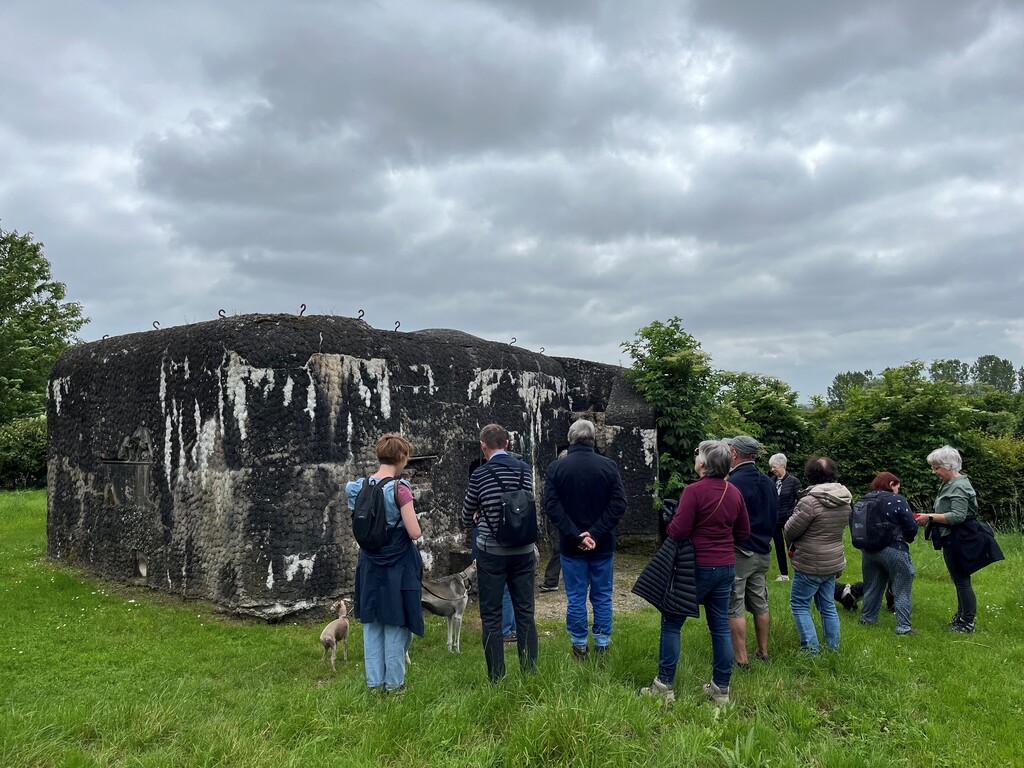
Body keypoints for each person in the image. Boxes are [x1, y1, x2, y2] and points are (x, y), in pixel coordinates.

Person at [639, 440, 750, 706]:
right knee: (720, 627)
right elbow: (744, 533)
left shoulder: (693, 491)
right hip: (725, 567)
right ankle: (721, 689)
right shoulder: (734, 493)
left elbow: (677, 532)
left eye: (697, 454)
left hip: (696, 567)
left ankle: (664, 686)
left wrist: (672, 518)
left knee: (672, 622)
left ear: (703, 463)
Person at [543, 419, 627, 658]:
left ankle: (579, 645)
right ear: (593, 439)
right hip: (602, 544)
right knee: (602, 595)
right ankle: (602, 644)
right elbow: (619, 503)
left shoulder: (557, 468)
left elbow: (552, 506)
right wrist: (597, 532)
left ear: (571, 439)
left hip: (571, 546)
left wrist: (575, 535)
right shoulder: (608, 466)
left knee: (576, 596)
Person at [461, 423, 538, 681]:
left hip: (491, 552)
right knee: (525, 613)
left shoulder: (480, 475)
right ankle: (529, 672)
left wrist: (479, 513)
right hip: (524, 550)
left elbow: (466, 513)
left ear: (484, 446)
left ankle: (497, 677)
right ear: (507, 443)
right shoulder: (524, 470)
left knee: (492, 617)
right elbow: (525, 501)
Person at [347, 433, 423, 693]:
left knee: (372, 623)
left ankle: (374, 683)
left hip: (369, 563)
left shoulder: (359, 487)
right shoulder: (400, 489)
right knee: (395, 622)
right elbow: (414, 532)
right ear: (401, 458)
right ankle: (395, 684)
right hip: (397, 565)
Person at [784, 456, 850, 654]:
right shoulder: (845, 500)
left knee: (799, 604)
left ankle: (810, 650)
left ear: (811, 475)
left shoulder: (809, 502)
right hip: (833, 561)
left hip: (809, 563)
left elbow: (789, 530)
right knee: (827, 605)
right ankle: (833, 649)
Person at [725, 435, 779, 668]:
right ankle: (763, 652)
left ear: (735, 454)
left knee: (734, 603)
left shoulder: (734, 482)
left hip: (740, 550)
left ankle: (741, 659)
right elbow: (775, 515)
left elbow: (728, 517)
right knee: (760, 601)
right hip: (763, 550)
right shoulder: (768, 481)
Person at [919, 445, 980, 633]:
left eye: (937, 467)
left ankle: (967, 623)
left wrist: (929, 517)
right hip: (950, 537)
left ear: (949, 466)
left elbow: (958, 516)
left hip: (959, 538)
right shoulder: (949, 483)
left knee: (962, 580)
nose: (934, 471)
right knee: (958, 579)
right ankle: (960, 618)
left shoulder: (959, 486)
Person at [858, 472, 919, 635]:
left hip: (868, 550)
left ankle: (867, 620)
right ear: (892, 484)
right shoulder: (898, 500)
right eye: (897, 486)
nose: (898, 489)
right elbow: (911, 526)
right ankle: (903, 628)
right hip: (894, 549)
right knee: (902, 588)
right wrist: (909, 537)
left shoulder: (864, 499)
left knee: (872, 587)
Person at [768, 453, 801, 582]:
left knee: (792, 546)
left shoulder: (794, 481)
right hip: (775, 520)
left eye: (774, 466)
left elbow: (802, 500)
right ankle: (784, 574)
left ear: (782, 465)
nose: (772, 470)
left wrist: (791, 512)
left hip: (788, 520)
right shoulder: (771, 481)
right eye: (771, 467)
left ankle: (798, 571)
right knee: (778, 547)